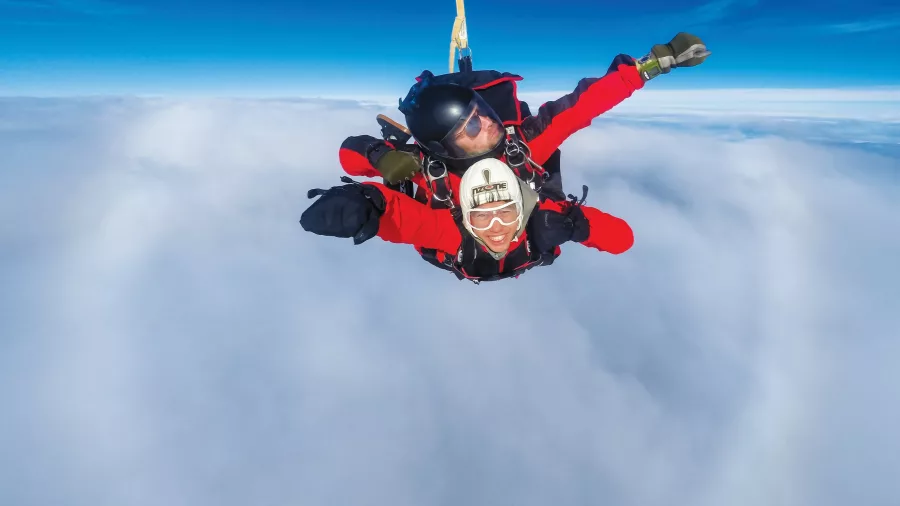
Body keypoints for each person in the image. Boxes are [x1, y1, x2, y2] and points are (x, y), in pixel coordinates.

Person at [337, 32, 710, 209]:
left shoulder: (523, 147)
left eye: (484, 114)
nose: (489, 124)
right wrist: (378, 155)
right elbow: (349, 153)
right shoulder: (428, 170)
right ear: (446, 149)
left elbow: (582, 105)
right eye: (471, 126)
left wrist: (649, 66)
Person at [300, 158, 634, 283]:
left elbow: (623, 239)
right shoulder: (451, 233)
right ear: (466, 219)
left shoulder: (541, 219)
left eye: (505, 213)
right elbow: (402, 217)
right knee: (428, 183)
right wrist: (367, 201)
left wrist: (574, 224)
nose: (496, 229)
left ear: (522, 212)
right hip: (458, 200)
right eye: (482, 218)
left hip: (518, 198)